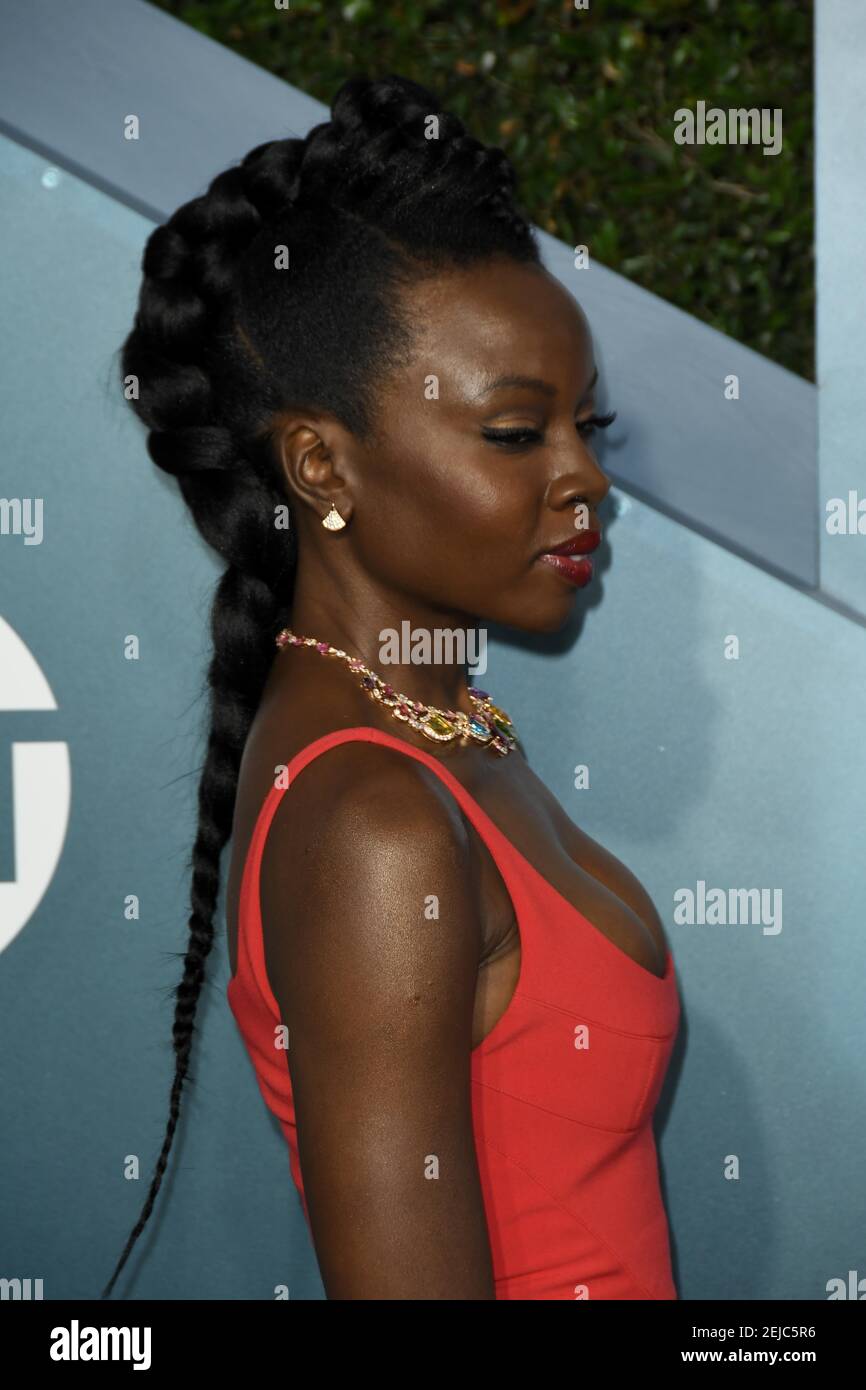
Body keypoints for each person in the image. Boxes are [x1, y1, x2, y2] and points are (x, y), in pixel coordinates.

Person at [102, 72, 679, 1301]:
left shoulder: (437, 728)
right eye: (518, 434)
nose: (586, 480)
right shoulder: (377, 823)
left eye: (589, 424)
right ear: (320, 465)